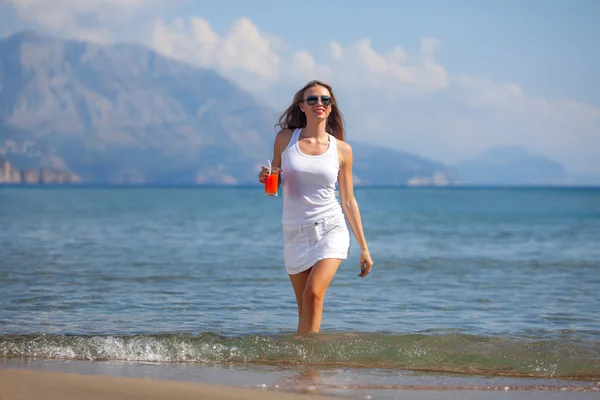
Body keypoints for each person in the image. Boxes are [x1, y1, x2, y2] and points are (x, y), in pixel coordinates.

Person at [258, 79, 374, 334]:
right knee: (305, 309)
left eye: (325, 100)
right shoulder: (285, 139)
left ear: (331, 108)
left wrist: (364, 247)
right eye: (312, 99)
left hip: (330, 228)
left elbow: (348, 200)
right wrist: (267, 178)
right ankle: (304, 366)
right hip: (295, 233)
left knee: (313, 294)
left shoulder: (342, 150)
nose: (319, 103)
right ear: (302, 106)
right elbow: (276, 181)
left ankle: (307, 366)